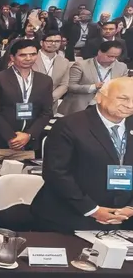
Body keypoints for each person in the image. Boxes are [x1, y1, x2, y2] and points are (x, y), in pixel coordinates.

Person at [31, 77, 133, 232]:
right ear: (99, 97)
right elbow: (56, 173)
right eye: (123, 98)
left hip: (123, 220)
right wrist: (93, 210)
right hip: (69, 218)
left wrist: (130, 208)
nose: (129, 105)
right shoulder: (70, 125)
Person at [0, 40, 53, 160]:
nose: (28, 58)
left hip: (27, 147)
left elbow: (47, 112)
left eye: (33, 54)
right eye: (23, 55)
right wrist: (11, 137)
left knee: (23, 178)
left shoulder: (45, 81)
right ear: (12, 57)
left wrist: (28, 135)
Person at [59, 40, 128, 115]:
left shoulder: (122, 67)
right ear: (100, 52)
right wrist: (93, 87)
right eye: (110, 56)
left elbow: (123, 88)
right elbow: (71, 86)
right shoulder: (81, 65)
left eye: (116, 57)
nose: (113, 59)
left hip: (108, 107)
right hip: (82, 106)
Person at [33, 30, 70, 106]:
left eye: (57, 41)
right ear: (41, 43)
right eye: (49, 41)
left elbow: (64, 84)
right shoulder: (31, 58)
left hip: (51, 103)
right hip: (29, 101)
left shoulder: (64, 62)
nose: (53, 44)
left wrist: (50, 98)